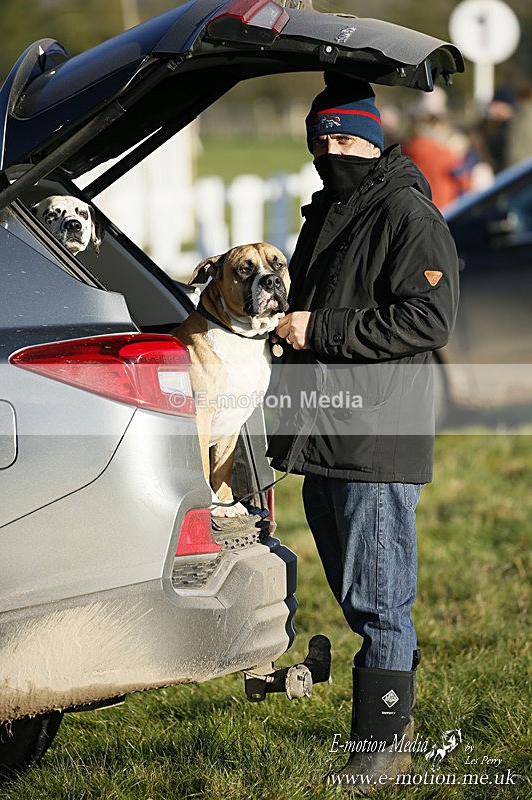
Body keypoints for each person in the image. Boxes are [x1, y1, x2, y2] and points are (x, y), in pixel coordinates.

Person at [267, 72, 460, 788]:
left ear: (374, 143)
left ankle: (382, 748)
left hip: (376, 432)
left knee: (381, 597)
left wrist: (321, 327)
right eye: (321, 140)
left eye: (345, 138)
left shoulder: (408, 213)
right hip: (323, 429)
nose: (331, 150)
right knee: (359, 594)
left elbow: (429, 318)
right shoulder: (329, 209)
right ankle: (392, 723)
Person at [402, 87, 467, 208]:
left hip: (428, 207)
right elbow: (464, 179)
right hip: (439, 209)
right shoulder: (428, 148)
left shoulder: (413, 145)